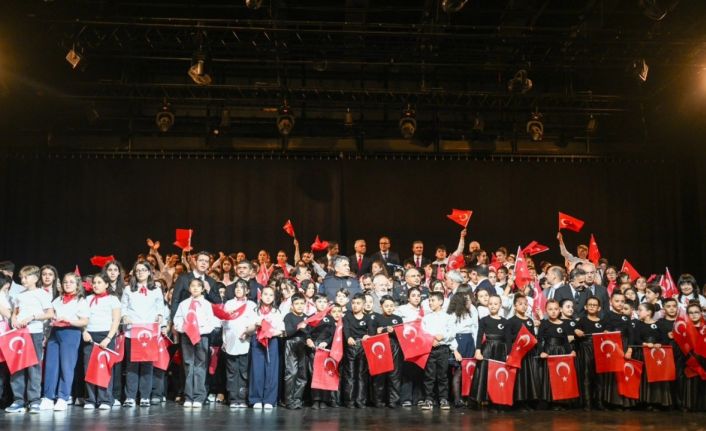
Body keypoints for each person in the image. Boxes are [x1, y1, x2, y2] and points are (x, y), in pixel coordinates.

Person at [39, 272, 89, 411]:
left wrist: (69, 320)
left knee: (66, 366)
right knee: (51, 365)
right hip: (55, 332)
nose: (68, 284)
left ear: (77, 285)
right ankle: (48, 397)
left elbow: (84, 321)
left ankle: (63, 397)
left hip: (71, 332)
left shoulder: (81, 301)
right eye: (65, 282)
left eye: (71, 282)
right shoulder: (58, 300)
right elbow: (51, 316)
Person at [121, 261, 164, 408]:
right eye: (138, 270)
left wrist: (160, 316)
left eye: (144, 270)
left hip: (149, 331)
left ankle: (145, 396)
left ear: (149, 272)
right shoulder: (128, 289)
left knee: (147, 364)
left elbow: (160, 307)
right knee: (132, 365)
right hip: (132, 331)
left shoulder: (156, 289)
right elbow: (123, 307)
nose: (140, 273)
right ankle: (130, 397)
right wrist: (124, 316)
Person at [173, 278, 217, 408]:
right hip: (187, 336)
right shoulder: (184, 304)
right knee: (188, 365)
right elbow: (177, 319)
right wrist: (184, 328)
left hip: (201, 336)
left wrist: (199, 330)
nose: (195, 288)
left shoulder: (206, 304)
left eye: (198, 286)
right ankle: (188, 396)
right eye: (192, 286)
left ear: (203, 289)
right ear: (189, 288)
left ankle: (199, 396)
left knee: (200, 366)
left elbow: (211, 322)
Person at [82, 273, 122, 410]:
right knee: (89, 368)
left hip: (106, 335)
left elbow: (116, 320)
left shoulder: (113, 299)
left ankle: (105, 399)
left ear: (106, 284)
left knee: (104, 369)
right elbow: (82, 318)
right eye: (94, 283)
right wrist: (84, 331)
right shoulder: (87, 299)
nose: (96, 285)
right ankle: (90, 399)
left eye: (99, 282)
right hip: (90, 336)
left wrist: (109, 338)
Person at [628, 302, 672, 409]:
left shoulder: (660, 324)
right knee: (644, 378)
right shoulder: (638, 324)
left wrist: (659, 344)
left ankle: (655, 401)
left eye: (640, 310)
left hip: (656, 356)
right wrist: (644, 344)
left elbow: (665, 339)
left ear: (648, 312)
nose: (638, 312)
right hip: (642, 354)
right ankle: (643, 401)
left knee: (655, 378)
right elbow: (635, 338)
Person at [248, 285, 285, 409]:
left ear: (274, 297)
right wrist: (256, 325)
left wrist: (270, 332)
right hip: (257, 340)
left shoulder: (276, 312)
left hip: (272, 340)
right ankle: (256, 398)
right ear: (261, 296)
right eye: (265, 294)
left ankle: (269, 399)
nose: (268, 297)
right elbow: (248, 329)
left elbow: (281, 330)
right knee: (257, 369)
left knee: (271, 369)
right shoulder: (254, 310)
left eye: (271, 295)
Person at [537, 299, 577, 410]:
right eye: (550, 309)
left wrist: (571, 351)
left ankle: (560, 401)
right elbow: (539, 340)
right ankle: (549, 401)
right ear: (546, 310)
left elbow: (565, 341)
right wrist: (541, 352)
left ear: (559, 310)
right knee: (550, 377)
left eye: (555, 309)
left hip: (561, 353)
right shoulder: (544, 324)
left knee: (559, 377)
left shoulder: (564, 324)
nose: (553, 311)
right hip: (549, 353)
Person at [221, 284, 256, 409]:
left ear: (247, 290)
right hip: (231, 341)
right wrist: (224, 340)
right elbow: (223, 324)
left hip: (245, 341)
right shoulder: (229, 303)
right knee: (231, 371)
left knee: (244, 371)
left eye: (242, 287)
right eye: (236, 287)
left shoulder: (251, 305)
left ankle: (242, 398)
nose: (238, 289)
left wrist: (247, 333)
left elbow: (254, 323)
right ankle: (233, 398)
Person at [471, 295, 508, 410]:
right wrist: (478, 350)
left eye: (495, 304)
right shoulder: (484, 320)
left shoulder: (505, 321)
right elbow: (479, 336)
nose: (493, 306)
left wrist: (508, 354)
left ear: (500, 305)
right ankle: (485, 398)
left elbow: (508, 339)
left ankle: (497, 399)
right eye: (490, 304)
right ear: (487, 305)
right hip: (488, 349)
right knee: (487, 374)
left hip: (500, 350)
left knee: (498, 374)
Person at [421, 291, 454, 410]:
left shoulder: (448, 317)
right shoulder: (426, 318)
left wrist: (443, 336)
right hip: (430, 349)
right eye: (429, 300)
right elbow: (423, 333)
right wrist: (431, 340)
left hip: (443, 349)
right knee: (429, 376)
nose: (430, 302)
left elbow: (452, 333)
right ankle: (429, 399)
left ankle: (443, 399)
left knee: (442, 376)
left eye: (433, 300)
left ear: (440, 302)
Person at [368, 295, 403, 408]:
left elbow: (402, 335)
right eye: (386, 306)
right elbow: (371, 334)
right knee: (380, 375)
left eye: (391, 306)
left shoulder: (398, 318)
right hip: (380, 349)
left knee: (394, 375)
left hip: (395, 348)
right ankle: (378, 400)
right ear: (381, 306)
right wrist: (380, 331)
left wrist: (393, 331)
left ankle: (393, 401)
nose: (389, 308)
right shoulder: (376, 318)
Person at [505, 293, 538, 410]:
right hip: (517, 354)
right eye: (520, 304)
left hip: (528, 354)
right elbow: (508, 339)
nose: (523, 306)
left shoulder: (529, 320)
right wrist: (509, 353)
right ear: (515, 306)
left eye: (525, 304)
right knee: (519, 377)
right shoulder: (511, 321)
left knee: (528, 377)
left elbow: (533, 337)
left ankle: (527, 400)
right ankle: (519, 402)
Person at [306, 299, 341, 409]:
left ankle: (325, 400)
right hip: (314, 349)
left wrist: (326, 342)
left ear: (327, 305)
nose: (322, 304)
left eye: (324, 302)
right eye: (319, 302)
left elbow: (333, 334)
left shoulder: (330, 318)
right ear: (314, 303)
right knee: (314, 374)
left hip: (326, 349)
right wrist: (308, 339)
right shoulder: (311, 317)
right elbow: (306, 332)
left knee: (326, 374)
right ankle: (315, 400)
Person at [447, 290, 479, 407]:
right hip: (459, 342)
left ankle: (467, 398)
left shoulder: (471, 311)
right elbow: (451, 334)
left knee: (468, 371)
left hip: (469, 341)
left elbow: (475, 330)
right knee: (459, 372)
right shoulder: (453, 315)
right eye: (467, 300)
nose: (470, 301)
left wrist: (476, 347)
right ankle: (457, 399)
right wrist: (455, 350)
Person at [573, 295, 604, 411]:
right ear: (585, 307)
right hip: (586, 349)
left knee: (599, 377)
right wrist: (576, 331)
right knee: (586, 376)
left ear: (599, 308)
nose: (592, 307)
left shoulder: (602, 322)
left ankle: (599, 403)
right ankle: (587, 403)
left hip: (599, 350)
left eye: (594, 305)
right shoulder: (582, 320)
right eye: (590, 305)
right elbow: (575, 333)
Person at [342, 292, 370, 408]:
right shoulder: (347, 316)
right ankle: (350, 401)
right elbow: (346, 329)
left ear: (363, 305)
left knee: (361, 375)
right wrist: (348, 337)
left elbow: (371, 331)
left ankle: (360, 400)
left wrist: (368, 335)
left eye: (358, 303)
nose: (355, 305)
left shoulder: (368, 317)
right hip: (351, 347)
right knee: (350, 374)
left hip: (363, 347)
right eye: (353, 303)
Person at [282, 293, 308, 409]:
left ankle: (298, 400)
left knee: (302, 374)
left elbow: (309, 333)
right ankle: (289, 400)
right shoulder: (289, 316)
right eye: (297, 304)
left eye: (302, 303)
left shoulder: (307, 317)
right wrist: (299, 326)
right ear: (292, 305)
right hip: (291, 344)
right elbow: (288, 332)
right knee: (291, 373)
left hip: (304, 346)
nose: (299, 306)